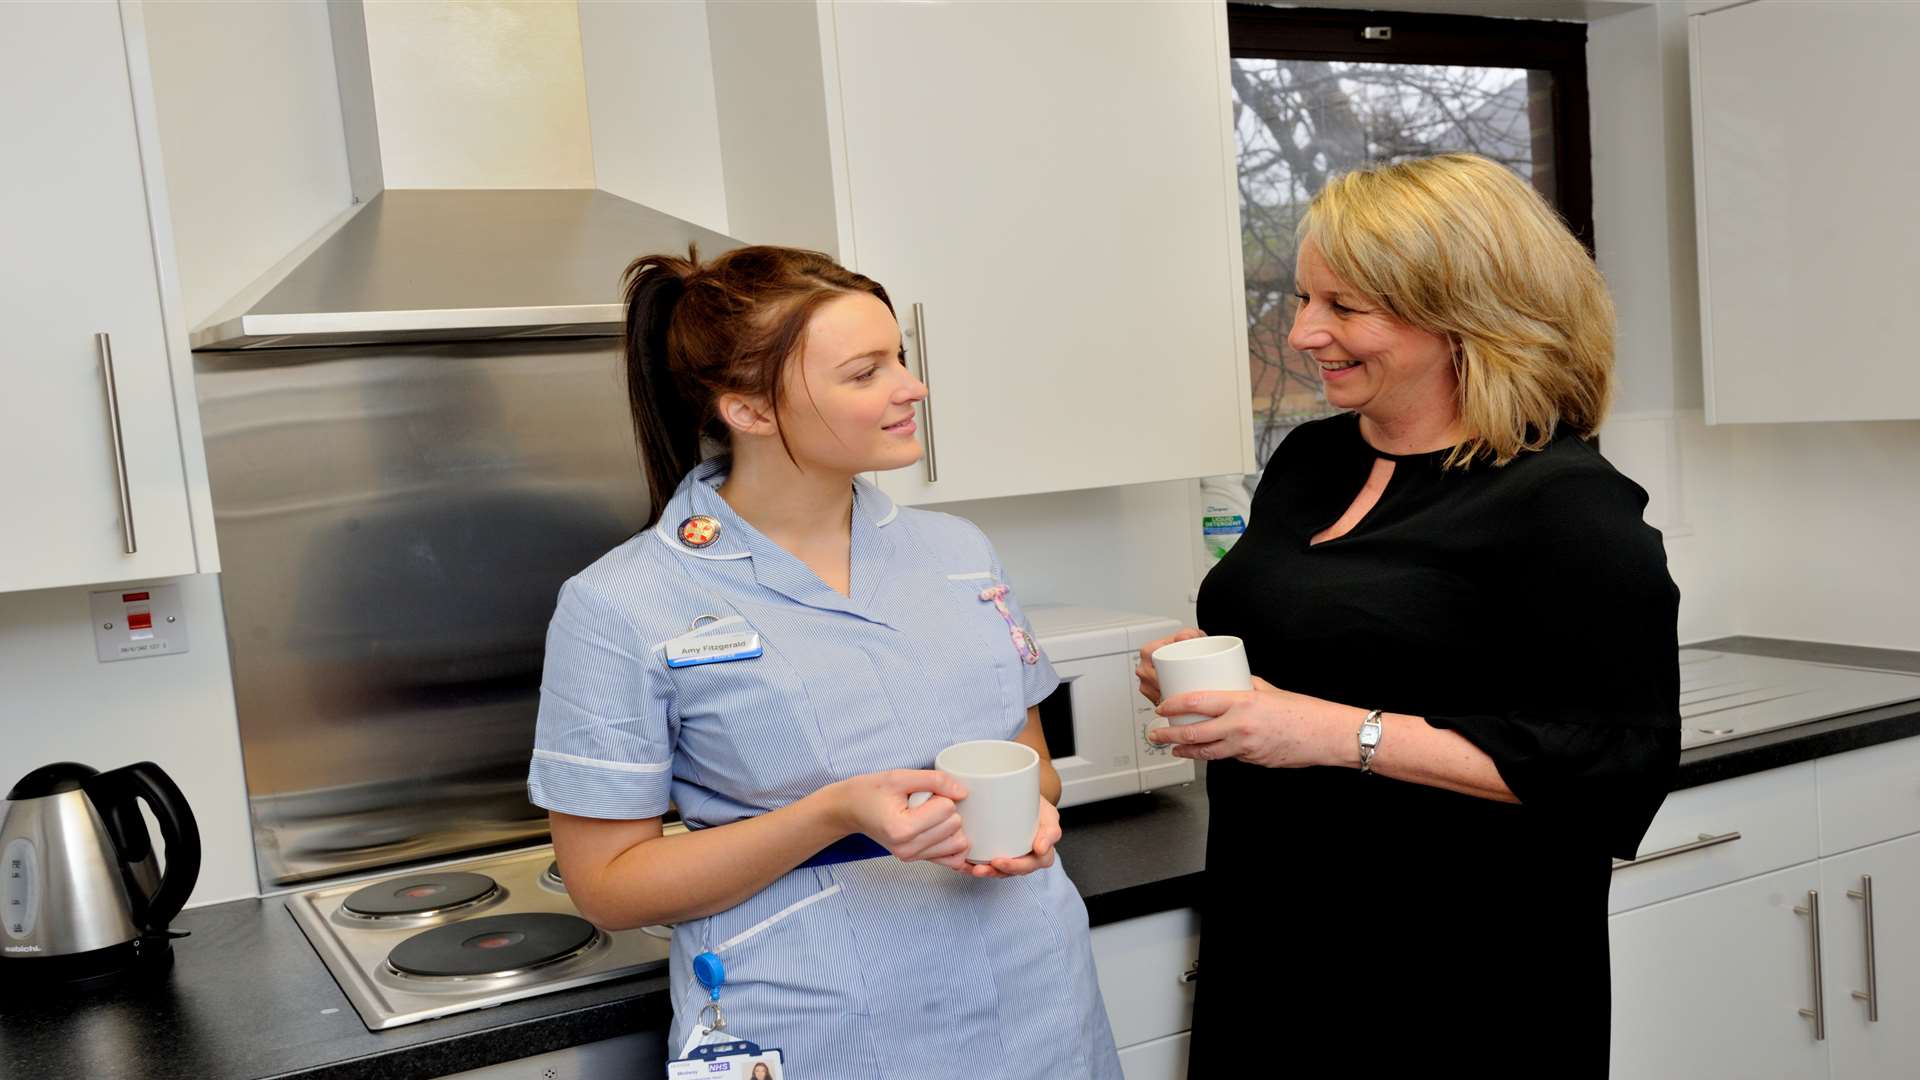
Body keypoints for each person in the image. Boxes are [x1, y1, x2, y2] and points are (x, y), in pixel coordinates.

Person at [1136, 154, 1680, 1076]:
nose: (1306, 331)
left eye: (1345, 307)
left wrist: (1334, 733)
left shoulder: (1567, 503)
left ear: (1463, 312)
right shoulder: (1311, 460)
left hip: (1461, 965)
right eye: (1307, 298)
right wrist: (1216, 682)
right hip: (1276, 917)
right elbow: (1318, 647)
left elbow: (1612, 766)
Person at [527, 245, 1121, 1078]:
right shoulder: (622, 603)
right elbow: (609, 886)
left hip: (1036, 997)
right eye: (865, 371)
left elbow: (1029, 761)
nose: (911, 388)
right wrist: (833, 811)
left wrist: (1028, 810)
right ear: (749, 409)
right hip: (819, 1022)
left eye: (901, 359)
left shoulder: (959, 553)